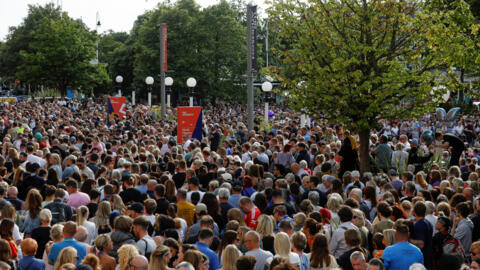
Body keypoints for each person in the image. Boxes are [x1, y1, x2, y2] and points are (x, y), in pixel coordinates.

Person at [411, 201, 433, 269]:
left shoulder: (419, 225)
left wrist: (408, 240)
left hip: (422, 258)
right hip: (428, 256)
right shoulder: (428, 223)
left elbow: (421, 244)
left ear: (414, 212)